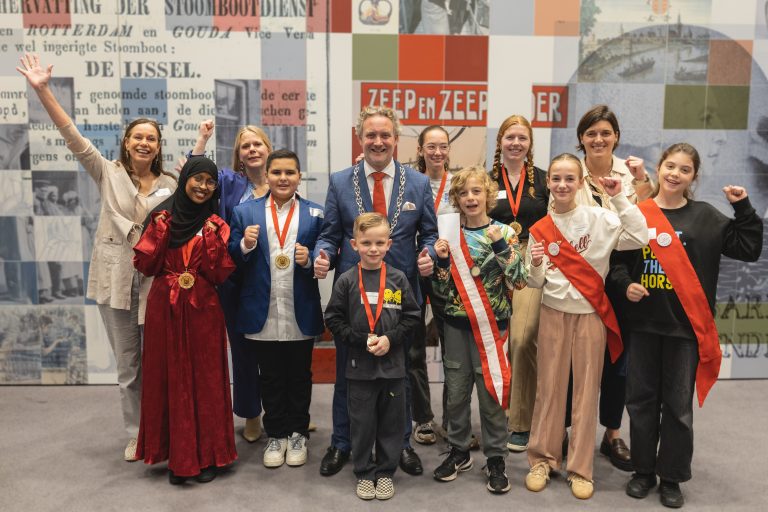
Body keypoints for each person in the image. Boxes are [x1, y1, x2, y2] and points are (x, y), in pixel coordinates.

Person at [17, 53, 178, 461]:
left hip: (157, 285)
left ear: (159, 146)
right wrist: (43, 91)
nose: (144, 143)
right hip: (116, 281)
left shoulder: (171, 183)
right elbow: (72, 135)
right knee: (128, 366)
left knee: (160, 363)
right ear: (126, 142)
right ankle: (138, 434)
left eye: (151, 138)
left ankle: (165, 429)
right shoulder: (108, 172)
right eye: (137, 136)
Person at [608, 143, 763, 508]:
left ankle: (672, 476)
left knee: (678, 407)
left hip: (685, 330)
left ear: (694, 177)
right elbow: (615, 264)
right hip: (644, 326)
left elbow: (748, 248)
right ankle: (643, 471)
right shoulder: (637, 213)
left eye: (684, 169)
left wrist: (743, 207)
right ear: (659, 168)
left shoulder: (706, 217)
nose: (675, 174)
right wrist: (625, 285)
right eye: (670, 166)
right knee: (640, 402)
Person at [313, 106, 438, 477]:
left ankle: (400, 444)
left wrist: (429, 254)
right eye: (371, 135)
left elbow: (429, 234)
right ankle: (342, 442)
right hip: (353, 294)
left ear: (396, 139)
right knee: (347, 369)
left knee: (399, 370)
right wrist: (323, 254)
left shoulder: (418, 183)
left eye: (385, 135)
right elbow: (329, 234)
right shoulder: (340, 181)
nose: (378, 141)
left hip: (399, 293)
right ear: (360, 138)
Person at [524, 153, 648, 500]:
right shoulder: (540, 228)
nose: (562, 185)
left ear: (580, 183)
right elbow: (534, 282)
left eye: (570, 179)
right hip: (552, 313)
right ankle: (542, 460)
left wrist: (619, 196)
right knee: (549, 389)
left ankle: (580, 468)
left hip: (591, 316)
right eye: (556, 178)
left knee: (586, 392)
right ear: (548, 183)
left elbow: (640, 236)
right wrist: (536, 265)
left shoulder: (601, 218)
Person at [133, 157, 237, 484]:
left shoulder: (216, 224)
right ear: (185, 179)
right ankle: (177, 457)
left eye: (210, 182)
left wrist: (212, 241)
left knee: (206, 379)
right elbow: (145, 265)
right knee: (168, 375)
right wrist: (160, 232)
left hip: (203, 307)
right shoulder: (161, 217)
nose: (203, 187)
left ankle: (208, 456)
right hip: (164, 306)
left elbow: (220, 274)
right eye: (198, 179)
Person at [430, 166, 527, 494]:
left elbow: (519, 280)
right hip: (456, 326)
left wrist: (500, 245)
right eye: (463, 193)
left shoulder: (505, 232)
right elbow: (441, 290)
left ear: (488, 195)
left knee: (491, 393)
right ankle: (459, 450)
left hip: (492, 327)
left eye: (476, 191)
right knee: (456, 392)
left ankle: (496, 457)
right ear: (456, 199)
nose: (470, 198)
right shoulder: (449, 234)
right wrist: (442, 262)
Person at [227, 149, 324, 468]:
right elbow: (231, 255)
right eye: (277, 172)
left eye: (290, 172)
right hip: (262, 309)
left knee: (299, 375)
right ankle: (277, 434)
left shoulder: (315, 213)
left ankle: (298, 433)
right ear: (266, 176)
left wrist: (310, 259)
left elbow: (327, 253)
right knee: (269, 377)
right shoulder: (245, 212)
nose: (283, 178)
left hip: (300, 308)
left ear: (299, 177)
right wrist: (245, 244)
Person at [571, 104, 655, 471]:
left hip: (621, 275)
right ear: (581, 138)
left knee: (617, 360)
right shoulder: (570, 173)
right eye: (591, 133)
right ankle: (568, 431)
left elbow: (648, 221)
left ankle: (612, 433)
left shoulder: (634, 175)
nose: (599, 139)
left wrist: (641, 182)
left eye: (605, 133)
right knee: (573, 360)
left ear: (616, 136)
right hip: (579, 274)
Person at [324, 212, 421, 500]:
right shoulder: (346, 281)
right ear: (354, 245)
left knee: (392, 423)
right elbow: (333, 318)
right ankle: (365, 472)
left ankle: (386, 472)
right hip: (359, 368)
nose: (373, 249)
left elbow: (412, 317)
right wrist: (359, 339)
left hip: (393, 367)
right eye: (366, 243)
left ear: (389, 244)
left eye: (380, 242)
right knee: (362, 424)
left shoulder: (398, 279)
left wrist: (390, 339)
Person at [188, 120, 273, 443]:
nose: (252, 150)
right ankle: (251, 414)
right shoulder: (227, 182)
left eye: (257, 144)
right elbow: (194, 172)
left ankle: (284, 412)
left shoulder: (283, 180)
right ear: (239, 154)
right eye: (245, 146)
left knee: (280, 350)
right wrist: (202, 138)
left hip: (276, 278)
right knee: (243, 350)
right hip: (236, 279)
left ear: (268, 149)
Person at [487, 115, 549, 453]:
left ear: (529, 143)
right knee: (492, 343)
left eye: (522, 138)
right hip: (493, 259)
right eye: (510, 137)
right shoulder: (485, 179)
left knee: (523, 341)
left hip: (531, 258)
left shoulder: (544, 180)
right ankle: (494, 416)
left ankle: (521, 422)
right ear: (500, 141)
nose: (515, 143)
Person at [409, 125, 459, 446]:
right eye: (431, 146)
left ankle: (454, 421)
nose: (437, 152)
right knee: (414, 348)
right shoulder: (409, 183)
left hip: (449, 273)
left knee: (452, 348)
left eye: (443, 146)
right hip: (413, 270)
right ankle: (423, 418)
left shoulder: (459, 184)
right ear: (420, 149)